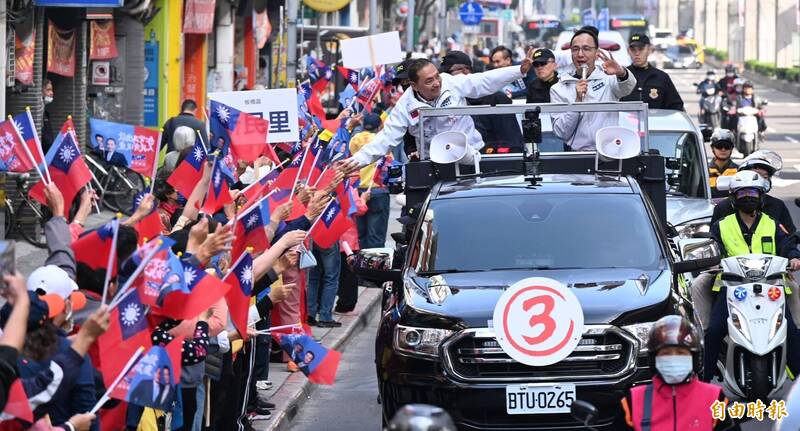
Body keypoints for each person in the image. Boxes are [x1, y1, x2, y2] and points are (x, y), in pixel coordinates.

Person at [339, 53, 534, 171]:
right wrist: (355, 162)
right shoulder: (404, 106)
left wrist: (518, 70)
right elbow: (386, 139)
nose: (436, 83)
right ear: (414, 85)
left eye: (436, 77)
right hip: (434, 164)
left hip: (473, 157)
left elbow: (484, 81)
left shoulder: (451, 82)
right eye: (429, 81)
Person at [703, 170, 800, 381]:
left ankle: (798, 377)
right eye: (742, 193)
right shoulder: (722, 225)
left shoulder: (772, 224)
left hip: (771, 285)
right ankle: (704, 380)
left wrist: (794, 258)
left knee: (791, 330)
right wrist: (712, 262)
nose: (748, 198)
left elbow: (788, 245)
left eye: (753, 193)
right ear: (733, 198)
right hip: (731, 286)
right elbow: (713, 249)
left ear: (761, 196)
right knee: (715, 330)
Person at [616, 315, 737, 431]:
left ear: (694, 359)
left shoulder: (715, 398)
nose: (673, 359)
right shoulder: (632, 402)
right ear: (653, 360)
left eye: (680, 353)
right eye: (666, 353)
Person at [550, 26, 637, 151]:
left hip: (609, 152)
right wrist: (577, 101)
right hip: (577, 156)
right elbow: (561, 132)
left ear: (597, 53)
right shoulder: (558, 88)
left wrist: (621, 73)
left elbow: (628, 88)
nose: (580, 54)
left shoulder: (608, 78)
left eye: (586, 49)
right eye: (575, 49)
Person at [440, 50, 523, 154]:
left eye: (468, 68)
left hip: (496, 160)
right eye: (459, 69)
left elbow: (511, 142)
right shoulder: (447, 102)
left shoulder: (496, 99)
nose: (465, 72)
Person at [711, 150, 795, 232]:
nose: (761, 180)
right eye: (756, 176)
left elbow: (790, 237)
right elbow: (714, 239)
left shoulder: (777, 205)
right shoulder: (723, 207)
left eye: (765, 177)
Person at [620, 33, 684, 110]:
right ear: (628, 51)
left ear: (649, 50)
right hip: (627, 121)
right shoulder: (623, 76)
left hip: (655, 121)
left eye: (641, 49)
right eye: (633, 50)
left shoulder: (661, 78)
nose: (637, 53)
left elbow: (676, 106)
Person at [707, 129, 739, 199]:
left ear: (732, 148)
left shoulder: (740, 171)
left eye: (727, 146)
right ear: (712, 148)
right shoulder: (704, 171)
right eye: (719, 145)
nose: (723, 149)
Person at [41, 79, 55, 152]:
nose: (51, 93)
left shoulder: (45, 113)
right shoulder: (39, 111)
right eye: (48, 90)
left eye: (51, 90)